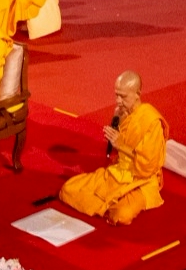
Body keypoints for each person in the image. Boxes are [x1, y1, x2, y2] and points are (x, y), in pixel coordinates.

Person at [58, 71, 167, 223]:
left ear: (137, 94)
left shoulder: (151, 121)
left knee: (121, 215)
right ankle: (109, 201)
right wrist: (113, 135)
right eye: (116, 95)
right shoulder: (120, 113)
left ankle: (110, 202)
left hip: (140, 179)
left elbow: (148, 165)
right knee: (68, 189)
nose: (118, 101)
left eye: (123, 96)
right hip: (118, 172)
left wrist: (121, 145)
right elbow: (116, 149)